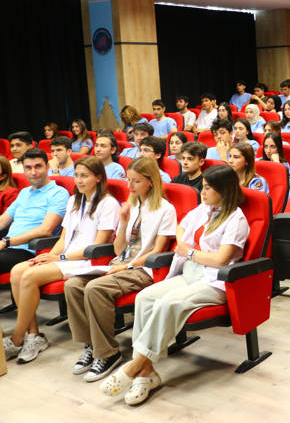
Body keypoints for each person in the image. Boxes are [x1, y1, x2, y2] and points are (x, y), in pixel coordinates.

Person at [99, 165, 250, 405]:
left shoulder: (236, 219)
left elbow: (221, 259)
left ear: (224, 190)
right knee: (145, 297)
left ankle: (134, 367)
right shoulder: (204, 208)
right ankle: (146, 373)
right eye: (203, 187)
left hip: (215, 281)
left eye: (208, 188)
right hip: (190, 272)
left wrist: (188, 251)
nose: (202, 192)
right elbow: (182, 227)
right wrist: (185, 246)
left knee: (168, 303)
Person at [65, 157, 176, 381]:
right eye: (128, 180)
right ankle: (91, 345)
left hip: (143, 269)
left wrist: (128, 265)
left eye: (136, 181)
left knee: (95, 288)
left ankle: (108, 354)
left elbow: (157, 251)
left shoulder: (166, 209)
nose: (129, 186)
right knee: (73, 285)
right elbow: (118, 249)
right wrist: (123, 222)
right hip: (121, 263)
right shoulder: (131, 206)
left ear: (151, 181)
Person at [5, 157, 119, 363]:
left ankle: (17, 337)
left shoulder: (108, 203)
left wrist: (59, 257)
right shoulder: (74, 200)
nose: (79, 180)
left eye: (84, 176)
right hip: (65, 256)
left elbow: (97, 246)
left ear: (98, 177)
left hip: (88, 260)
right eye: (76, 175)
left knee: (28, 277)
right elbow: (64, 238)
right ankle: (34, 335)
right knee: (17, 271)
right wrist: (50, 256)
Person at [0, 148, 69, 278]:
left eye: (38, 166)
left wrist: (6, 241)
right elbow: (3, 220)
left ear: (47, 167)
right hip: (8, 247)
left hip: (28, 250)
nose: (33, 172)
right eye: (28, 168)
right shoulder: (24, 192)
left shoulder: (58, 193)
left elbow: (45, 230)